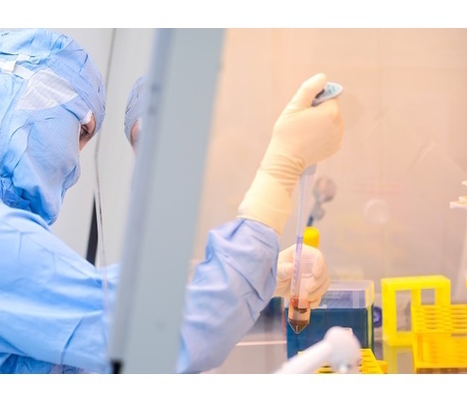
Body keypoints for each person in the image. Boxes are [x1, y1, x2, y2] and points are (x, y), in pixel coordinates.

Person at [0, 28, 345, 374]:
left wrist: (267, 274)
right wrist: (281, 170)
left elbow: (88, 316)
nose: (75, 164)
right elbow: (170, 335)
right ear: (25, 93)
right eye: (82, 130)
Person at [123, 76, 333, 306]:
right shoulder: (150, 202)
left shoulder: (215, 178)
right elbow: (160, 291)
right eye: (142, 140)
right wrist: (251, 277)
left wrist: (267, 275)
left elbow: (188, 281)